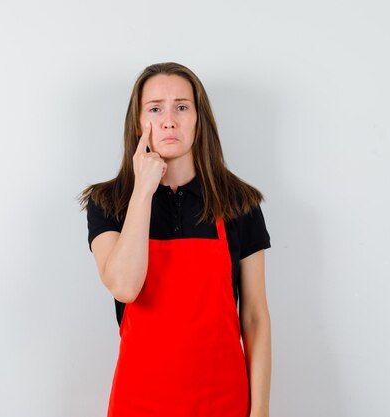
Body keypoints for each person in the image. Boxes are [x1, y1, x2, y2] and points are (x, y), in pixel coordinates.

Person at [77, 62, 272, 417]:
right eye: (155, 108)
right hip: (139, 402)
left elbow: (255, 317)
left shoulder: (239, 203)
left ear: (199, 119)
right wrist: (143, 191)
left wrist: (260, 412)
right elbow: (124, 286)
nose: (169, 120)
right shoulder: (109, 203)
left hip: (223, 401)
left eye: (182, 106)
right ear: (138, 123)